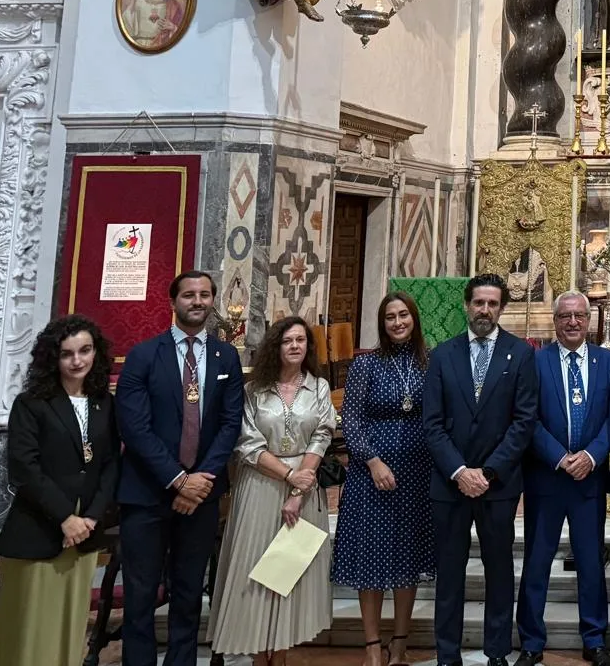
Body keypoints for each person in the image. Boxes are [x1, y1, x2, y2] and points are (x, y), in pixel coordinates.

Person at [115, 269, 246, 666]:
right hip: (147, 492)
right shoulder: (144, 355)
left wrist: (200, 481)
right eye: (189, 295)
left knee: (189, 594)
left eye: (205, 294)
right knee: (140, 594)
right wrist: (177, 480)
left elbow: (230, 422)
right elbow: (134, 427)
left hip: (202, 495)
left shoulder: (226, 356)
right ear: (173, 302)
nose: (198, 301)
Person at [0, 315, 119, 666]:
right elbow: (25, 470)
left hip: (85, 534)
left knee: (69, 625)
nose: (77, 361)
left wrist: (89, 517)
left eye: (85, 351)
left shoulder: (104, 403)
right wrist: (66, 518)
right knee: (27, 625)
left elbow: (109, 465)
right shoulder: (32, 403)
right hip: (39, 529)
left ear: (96, 353)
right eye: (67, 354)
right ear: (52, 358)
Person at [424, 272, 539, 666]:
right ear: (466, 305)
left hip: (499, 484)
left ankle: (496, 652)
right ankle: (447, 654)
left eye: (492, 303)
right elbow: (432, 424)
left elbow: (523, 422)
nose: (485, 310)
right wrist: (460, 471)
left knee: (500, 571)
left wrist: (488, 473)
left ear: (501, 308)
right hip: (450, 483)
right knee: (450, 573)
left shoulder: (521, 354)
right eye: (478, 302)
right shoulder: (442, 354)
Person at [207, 316, 338, 664]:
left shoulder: (320, 387)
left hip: (305, 490)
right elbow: (247, 443)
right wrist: (288, 476)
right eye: (287, 341)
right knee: (258, 569)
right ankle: (257, 654)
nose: (295, 346)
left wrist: (299, 486)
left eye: (301, 340)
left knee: (290, 575)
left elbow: (323, 434)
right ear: (275, 347)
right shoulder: (253, 391)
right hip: (261, 486)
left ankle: (279, 653)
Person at [331, 292, 436, 666]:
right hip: (370, 473)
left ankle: (401, 643)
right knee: (370, 558)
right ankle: (373, 645)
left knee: (406, 557)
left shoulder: (429, 363)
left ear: (414, 318)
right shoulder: (367, 365)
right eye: (390, 317)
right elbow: (352, 421)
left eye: (403, 314)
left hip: (417, 472)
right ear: (382, 323)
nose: (397, 322)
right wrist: (373, 461)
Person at [518, 291, 610, 666]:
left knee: (591, 561)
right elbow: (526, 417)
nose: (573, 322)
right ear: (555, 320)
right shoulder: (535, 361)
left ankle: (594, 638)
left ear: (590, 319)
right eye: (566, 316)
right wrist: (560, 457)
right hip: (546, 477)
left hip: (590, 480)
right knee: (537, 560)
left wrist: (593, 455)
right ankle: (531, 641)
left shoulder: (608, 362)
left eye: (580, 315)